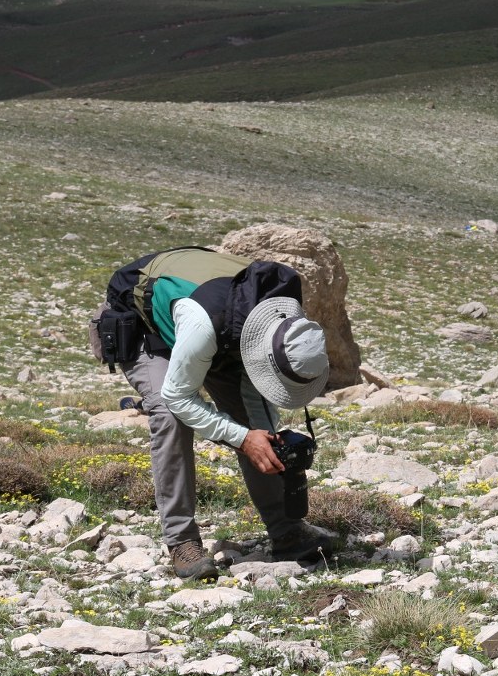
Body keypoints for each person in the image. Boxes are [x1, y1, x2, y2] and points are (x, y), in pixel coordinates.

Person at [105, 247, 336, 580]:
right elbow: (178, 396)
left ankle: (287, 530)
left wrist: (260, 435)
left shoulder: (281, 319)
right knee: (170, 416)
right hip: (145, 323)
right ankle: (181, 541)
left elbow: (253, 400)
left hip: (217, 331)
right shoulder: (204, 326)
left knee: (259, 430)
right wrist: (242, 439)